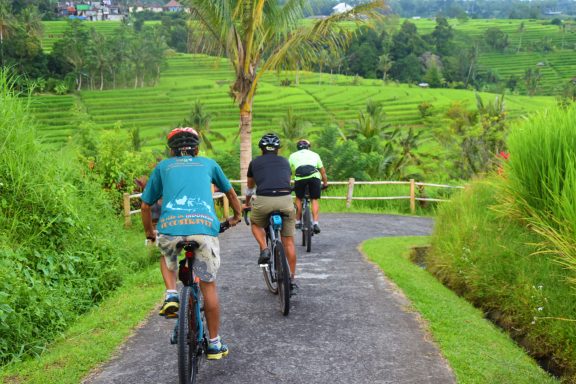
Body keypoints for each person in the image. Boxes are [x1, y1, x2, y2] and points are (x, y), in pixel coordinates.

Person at [141, 127, 242, 360]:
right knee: (208, 287)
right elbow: (232, 194)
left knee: (167, 254)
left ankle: (171, 295)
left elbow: (146, 206)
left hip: (171, 229)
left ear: (171, 151)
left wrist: (149, 233)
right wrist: (236, 217)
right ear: (196, 148)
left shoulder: (163, 167)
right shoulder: (208, 163)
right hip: (203, 230)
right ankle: (214, 344)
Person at [243, 133, 298, 293]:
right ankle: (291, 280)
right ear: (277, 150)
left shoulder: (254, 163)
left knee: (256, 223)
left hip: (264, 199)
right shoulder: (285, 162)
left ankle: (264, 247)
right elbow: (286, 181)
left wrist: (247, 204)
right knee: (288, 242)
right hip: (285, 199)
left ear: (261, 149)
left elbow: (250, 188)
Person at [288, 139, 328, 234]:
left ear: (298, 147)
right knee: (314, 199)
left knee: (298, 198)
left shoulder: (293, 155)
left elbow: (287, 172)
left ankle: (297, 221)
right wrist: (325, 183)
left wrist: (288, 185)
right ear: (308, 147)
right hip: (314, 177)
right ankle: (315, 223)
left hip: (300, 178)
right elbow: (323, 172)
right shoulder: (315, 154)